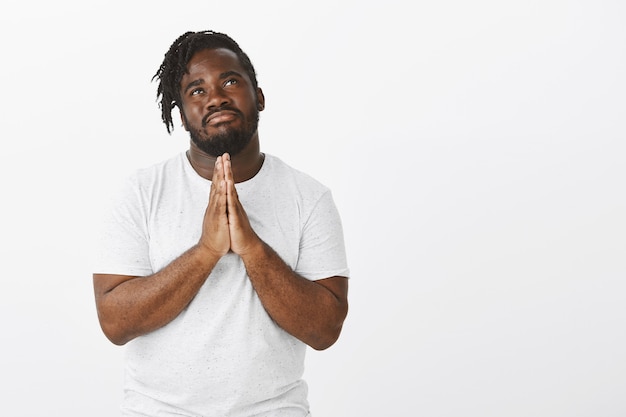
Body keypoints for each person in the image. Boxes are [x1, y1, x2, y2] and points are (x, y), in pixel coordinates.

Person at [92, 30, 350, 416]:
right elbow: (114, 323)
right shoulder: (141, 192)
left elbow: (325, 330)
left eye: (230, 80)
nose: (215, 97)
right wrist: (205, 253)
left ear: (258, 96)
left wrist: (252, 248)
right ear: (181, 116)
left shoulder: (309, 197)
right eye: (196, 90)